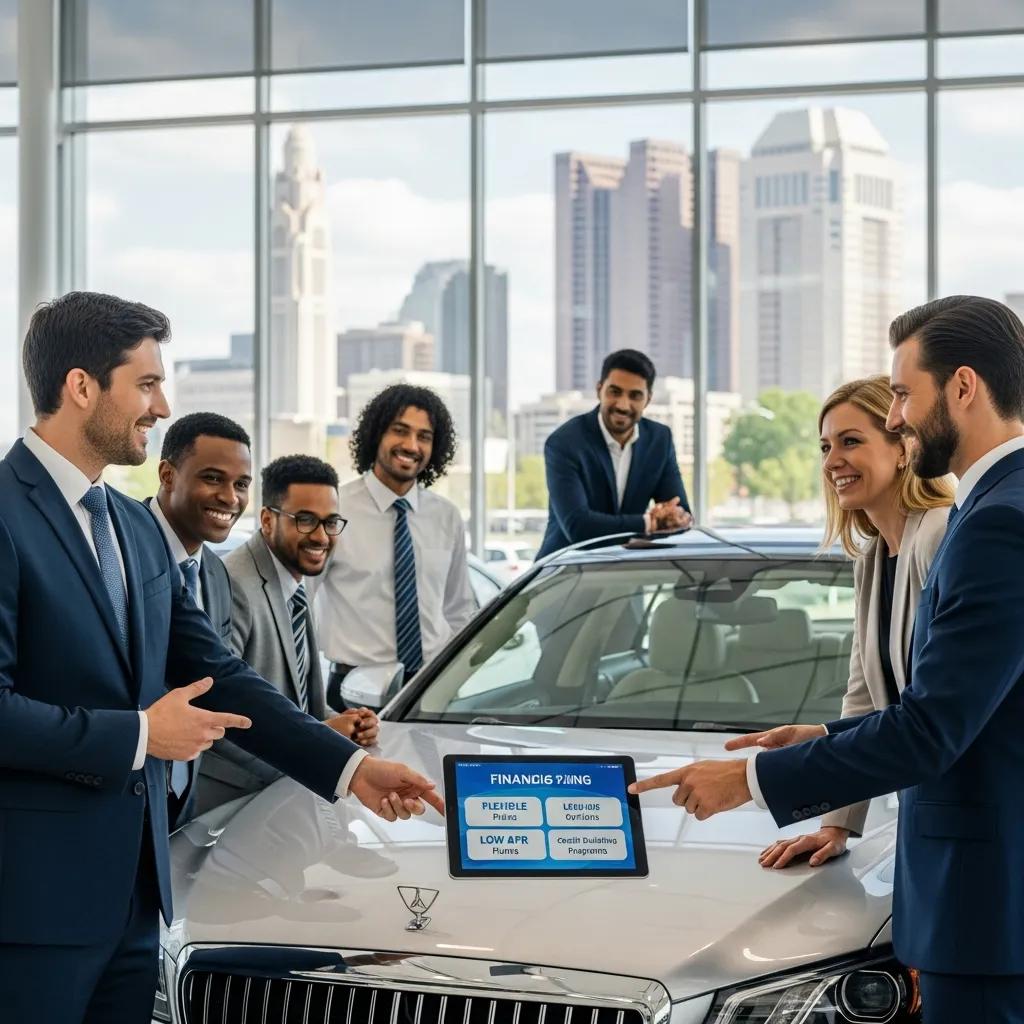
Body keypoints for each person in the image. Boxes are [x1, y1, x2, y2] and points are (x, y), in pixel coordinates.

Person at [0, 291, 443, 1024]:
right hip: (31, 909)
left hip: (138, 903)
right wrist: (142, 735)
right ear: (80, 386)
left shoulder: (133, 529)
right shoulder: (5, 514)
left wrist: (352, 770)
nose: (161, 405)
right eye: (146, 383)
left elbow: (225, 678)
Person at [630, 296, 1024, 1023]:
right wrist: (823, 740)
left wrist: (749, 779)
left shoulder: (992, 523)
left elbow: (931, 729)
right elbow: (937, 705)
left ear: (964, 387)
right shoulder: (990, 510)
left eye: (903, 394)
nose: (899, 417)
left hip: (988, 900)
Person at [731, 375, 953, 870]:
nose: (832, 461)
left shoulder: (938, 535)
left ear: (903, 448)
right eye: (825, 446)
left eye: (851, 441)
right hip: (926, 807)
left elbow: (932, 712)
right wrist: (836, 823)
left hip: (961, 806)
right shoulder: (872, 556)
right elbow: (863, 700)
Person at [196, 454, 379, 814]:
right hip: (229, 806)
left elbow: (299, 705)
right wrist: (321, 738)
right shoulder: (233, 584)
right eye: (306, 520)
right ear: (267, 520)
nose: (321, 536)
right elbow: (214, 713)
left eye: (330, 522)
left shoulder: (294, 582)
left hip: (284, 798)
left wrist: (350, 723)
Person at [314, 384, 476, 707]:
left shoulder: (446, 517)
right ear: (377, 434)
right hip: (352, 692)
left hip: (433, 690)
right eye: (400, 431)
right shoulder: (334, 509)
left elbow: (459, 610)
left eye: (424, 436)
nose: (411, 445)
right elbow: (298, 602)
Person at [145, 411, 253, 829]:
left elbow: (223, 682)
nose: (230, 498)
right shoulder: (119, 550)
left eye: (241, 484)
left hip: (183, 805)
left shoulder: (218, 575)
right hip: (116, 792)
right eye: (212, 478)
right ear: (167, 475)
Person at [536, 349, 692, 559]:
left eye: (635, 395)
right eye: (615, 392)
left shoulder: (659, 440)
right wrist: (648, 523)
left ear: (648, 399)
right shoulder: (565, 443)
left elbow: (679, 516)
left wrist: (673, 519)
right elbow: (578, 526)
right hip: (566, 568)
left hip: (626, 571)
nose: (623, 405)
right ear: (599, 390)